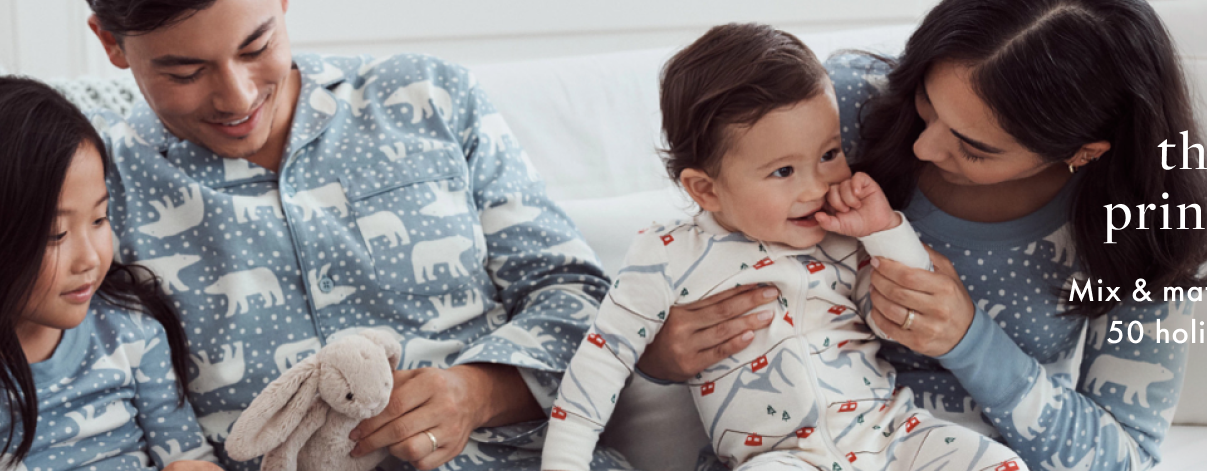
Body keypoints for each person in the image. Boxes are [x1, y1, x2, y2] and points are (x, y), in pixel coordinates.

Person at [637, 1, 1207, 470]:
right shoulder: (847, 105)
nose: (923, 147)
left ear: (1081, 152)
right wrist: (662, 354)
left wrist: (969, 339)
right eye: (926, 104)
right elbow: (714, 231)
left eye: (974, 147)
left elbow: (1125, 459)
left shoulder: (1144, 226)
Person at [80, 0, 624, 470]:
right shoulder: (95, 188)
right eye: (185, 73)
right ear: (110, 44)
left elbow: (581, 299)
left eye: (256, 47)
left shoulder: (427, 98)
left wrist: (478, 392)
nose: (237, 98)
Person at [543, 24, 1027, 471]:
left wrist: (883, 230)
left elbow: (905, 316)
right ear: (706, 190)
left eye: (829, 154)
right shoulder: (667, 255)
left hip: (889, 434)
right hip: (785, 457)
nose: (816, 186)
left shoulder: (840, 235)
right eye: (783, 171)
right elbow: (600, 364)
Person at [0, 77, 221, 471]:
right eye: (56, 234)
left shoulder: (130, 331)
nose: (89, 258)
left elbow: (188, 455)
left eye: (100, 219)